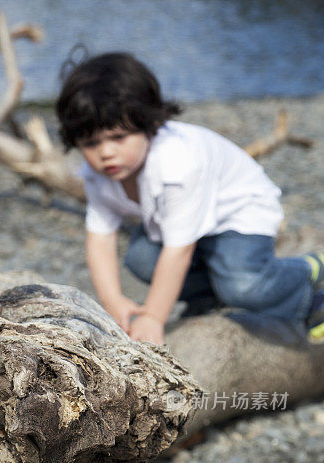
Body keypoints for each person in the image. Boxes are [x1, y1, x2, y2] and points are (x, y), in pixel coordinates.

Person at [55, 52, 324, 344]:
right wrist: (113, 301)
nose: (106, 153)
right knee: (142, 259)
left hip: (238, 211)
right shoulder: (98, 175)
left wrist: (153, 318)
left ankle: (308, 284)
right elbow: (100, 239)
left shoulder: (177, 166)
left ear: (149, 124)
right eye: (91, 143)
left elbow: (178, 250)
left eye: (118, 137)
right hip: (186, 221)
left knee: (244, 286)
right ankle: (210, 298)